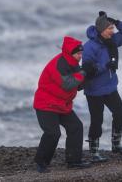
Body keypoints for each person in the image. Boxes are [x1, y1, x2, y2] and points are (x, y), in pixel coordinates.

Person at [33, 36, 97, 173]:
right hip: (46, 104)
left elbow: (77, 84)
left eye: (81, 53)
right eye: (78, 53)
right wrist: (84, 72)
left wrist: (89, 74)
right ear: (70, 53)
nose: (80, 56)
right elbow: (67, 84)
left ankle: (74, 161)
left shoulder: (72, 63)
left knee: (76, 127)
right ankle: (41, 162)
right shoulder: (59, 64)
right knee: (53, 133)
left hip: (62, 104)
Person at [83, 11, 122, 162]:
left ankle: (116, 144)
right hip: (94, 90)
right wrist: (106, 66)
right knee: (97, 121)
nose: (112, 31)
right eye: (109, 28)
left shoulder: (112, 40)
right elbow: (88, 70)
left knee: (120, 113)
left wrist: (117, 22)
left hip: (110, 87)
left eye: (112, 28)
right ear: (101, 30)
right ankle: (94, 152)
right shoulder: (89, 47)